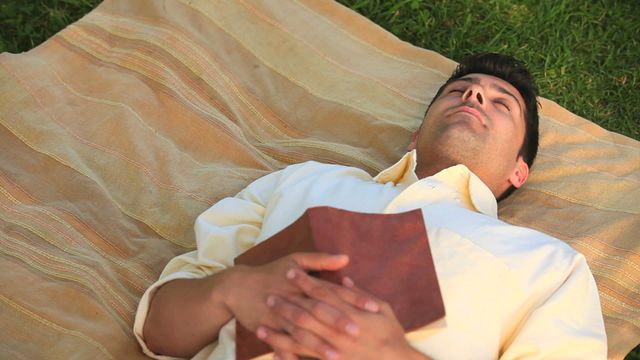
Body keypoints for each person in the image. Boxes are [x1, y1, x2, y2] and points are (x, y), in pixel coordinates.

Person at [133, 53, 607, 359]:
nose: (475, 94)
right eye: (458, 92)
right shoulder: (307, 180)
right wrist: (230, 291)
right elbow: (158, 331)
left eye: (502, 104)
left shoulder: (549, 265)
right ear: (416, 137)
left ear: (518, 172)